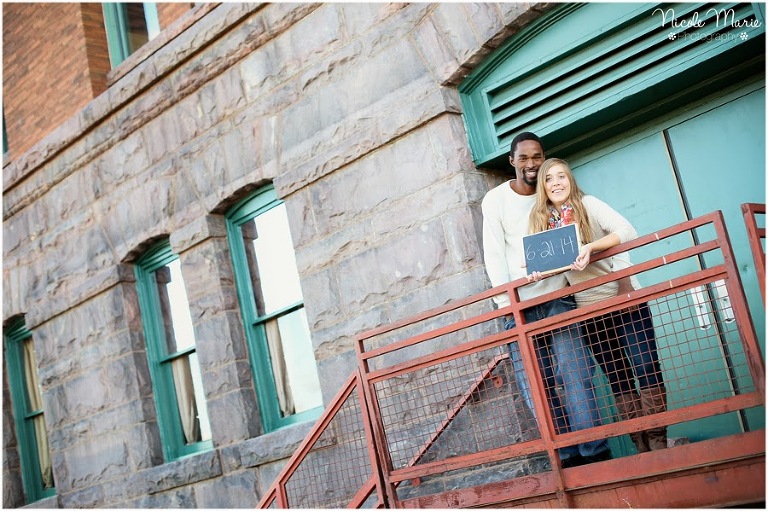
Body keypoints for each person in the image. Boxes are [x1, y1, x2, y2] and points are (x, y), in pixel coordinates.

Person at [481, 132, 612, 468]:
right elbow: (493, 254)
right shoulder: (495, 200)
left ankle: (595, 453)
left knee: (576, 372)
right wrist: (506, 305)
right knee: (535, 384)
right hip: (518, 307)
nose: (531, 164)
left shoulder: (553, 194)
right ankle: (566, 456)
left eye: (537, 156)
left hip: (558, 297)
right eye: (524, 157)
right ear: (512, 161)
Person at [528, 157, 668, 452]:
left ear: (570, 180)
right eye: (549, 178)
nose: (556, 183)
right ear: (543, 186)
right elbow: (552, 265)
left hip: (622, 297)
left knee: (645, 366)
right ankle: (640, 443)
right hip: (590, 310)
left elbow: (626, 232)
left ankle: (658, 439)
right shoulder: (543, 224)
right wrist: (539, 272)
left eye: (561, 176)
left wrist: (591, 247)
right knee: (618, 378)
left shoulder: (588, 204)